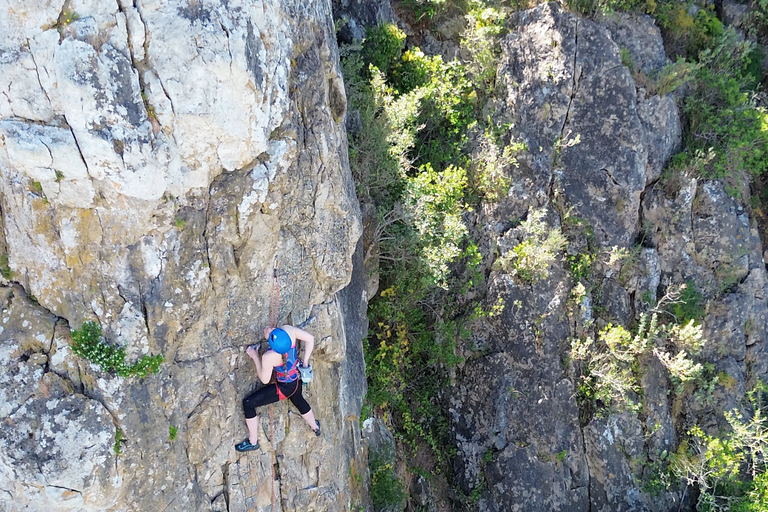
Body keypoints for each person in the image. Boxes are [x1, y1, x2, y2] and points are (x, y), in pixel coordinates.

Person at [235, 324, 320, 452]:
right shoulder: (289, 330)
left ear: (273, 346)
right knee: (298, 400)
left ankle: (253, 441)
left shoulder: (269, 356)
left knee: (248, 404)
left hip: (284, 388)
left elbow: (264, 379)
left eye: (270, 333)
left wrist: (255, 357)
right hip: (295, 379)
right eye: (272, 330)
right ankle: (315, 427)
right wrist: (306, 362)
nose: (268, 329)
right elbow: (310, 339)